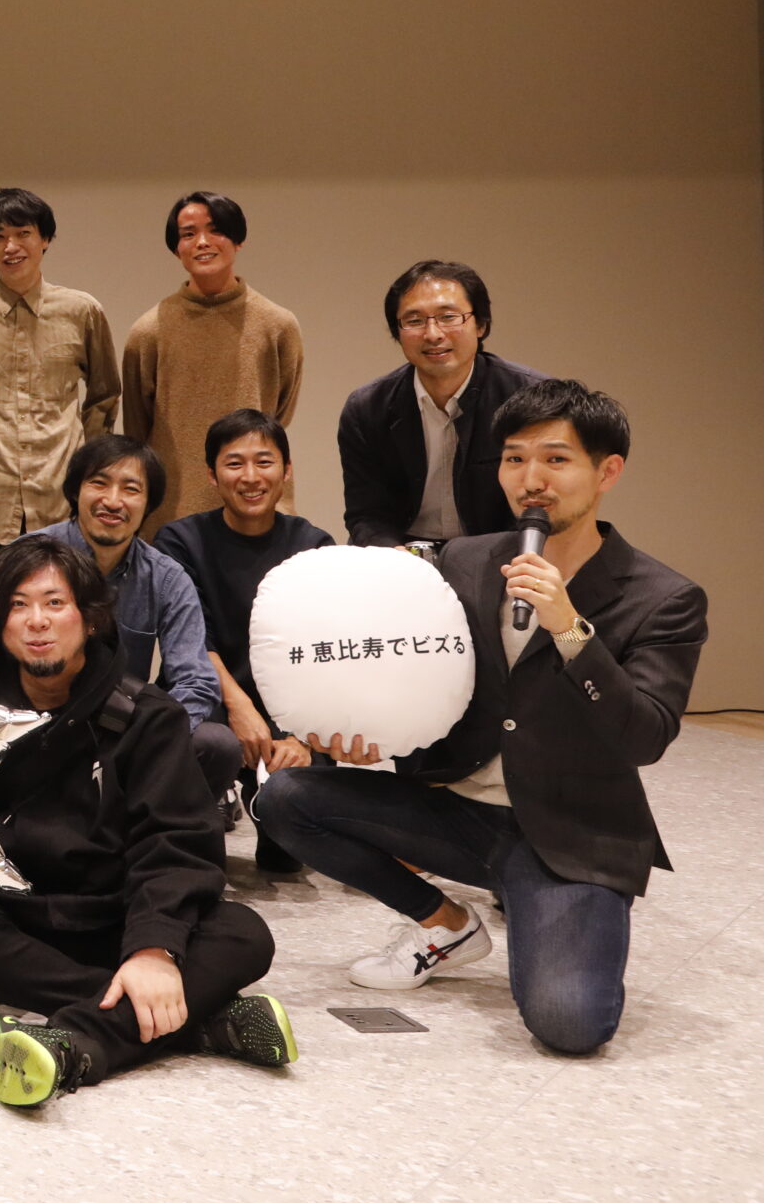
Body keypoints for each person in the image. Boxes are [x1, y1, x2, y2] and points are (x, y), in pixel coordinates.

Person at [253, 380, 706, 1056]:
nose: (531, 479)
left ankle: (545, 903)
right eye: (514, 458)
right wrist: (365, 730)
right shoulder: (465, 560)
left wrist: (569, 626)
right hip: (457, 809)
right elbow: (412, 668)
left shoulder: (663, 597)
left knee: (570, 1023)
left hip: (569, 832)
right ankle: (444, 923)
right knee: (286, 799)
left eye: (556, 459)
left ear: (608, 471)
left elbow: (645, 734)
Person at [0, 539, 292, 1110]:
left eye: (54, 603)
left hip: (117, 913)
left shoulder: (147, 716)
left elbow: (176, 843)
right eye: (18, 605)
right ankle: (189, 1019)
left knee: (245, 933)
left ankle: (75, 1042)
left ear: (89, 617)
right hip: (16, 916)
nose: (37, 621)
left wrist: (153, 949)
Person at [152, 409, 333, 873]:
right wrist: (239, 707)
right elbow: (192, 640)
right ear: (212, 475)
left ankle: (267, 809)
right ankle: (210, 805)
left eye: (264, 462)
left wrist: (301, 737)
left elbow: (326, 654)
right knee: (202, 851)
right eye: (234, 463)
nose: (251, 477)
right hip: (207, 699)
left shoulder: (314, 545)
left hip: (286, 711)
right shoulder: (180, 540)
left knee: (285, 860)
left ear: (286, 470)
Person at [37, 435, 238, 796]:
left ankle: (148, 826)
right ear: (76, 491)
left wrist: (149, 735)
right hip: (41, 724)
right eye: (99, 483)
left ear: (148, 504)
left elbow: (196, 680)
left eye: (131, 489)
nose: (113, 501)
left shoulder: (166, 578)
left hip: (122, 725)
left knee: (216, 745)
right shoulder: (31, 558)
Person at [0, 187, 122, 543]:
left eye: (23, 233)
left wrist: (91, 472)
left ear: (45, 239)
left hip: (58, 495)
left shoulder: (82, 311)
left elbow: (104, 396)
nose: (10, 247)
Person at [120, 192, 304, 531]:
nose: (202, 242)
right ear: (176, 248)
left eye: (215, 230)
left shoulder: (278, 325)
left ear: (238, 239)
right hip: (172, 514)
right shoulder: (148, 331)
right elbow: (137, 428)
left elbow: (280, 412)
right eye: (188, 234)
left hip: (259, 508)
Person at [337, 259, 546, 548]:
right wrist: (394, 557)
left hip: (498, 551)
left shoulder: (532, 398)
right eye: (414, 321)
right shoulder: (367, 408)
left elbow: (541, 501)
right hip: (404, 553)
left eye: (448, 317)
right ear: (397, 332)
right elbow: (367, 513)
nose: (433, 334)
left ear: (481, 325)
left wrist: (473, 559)